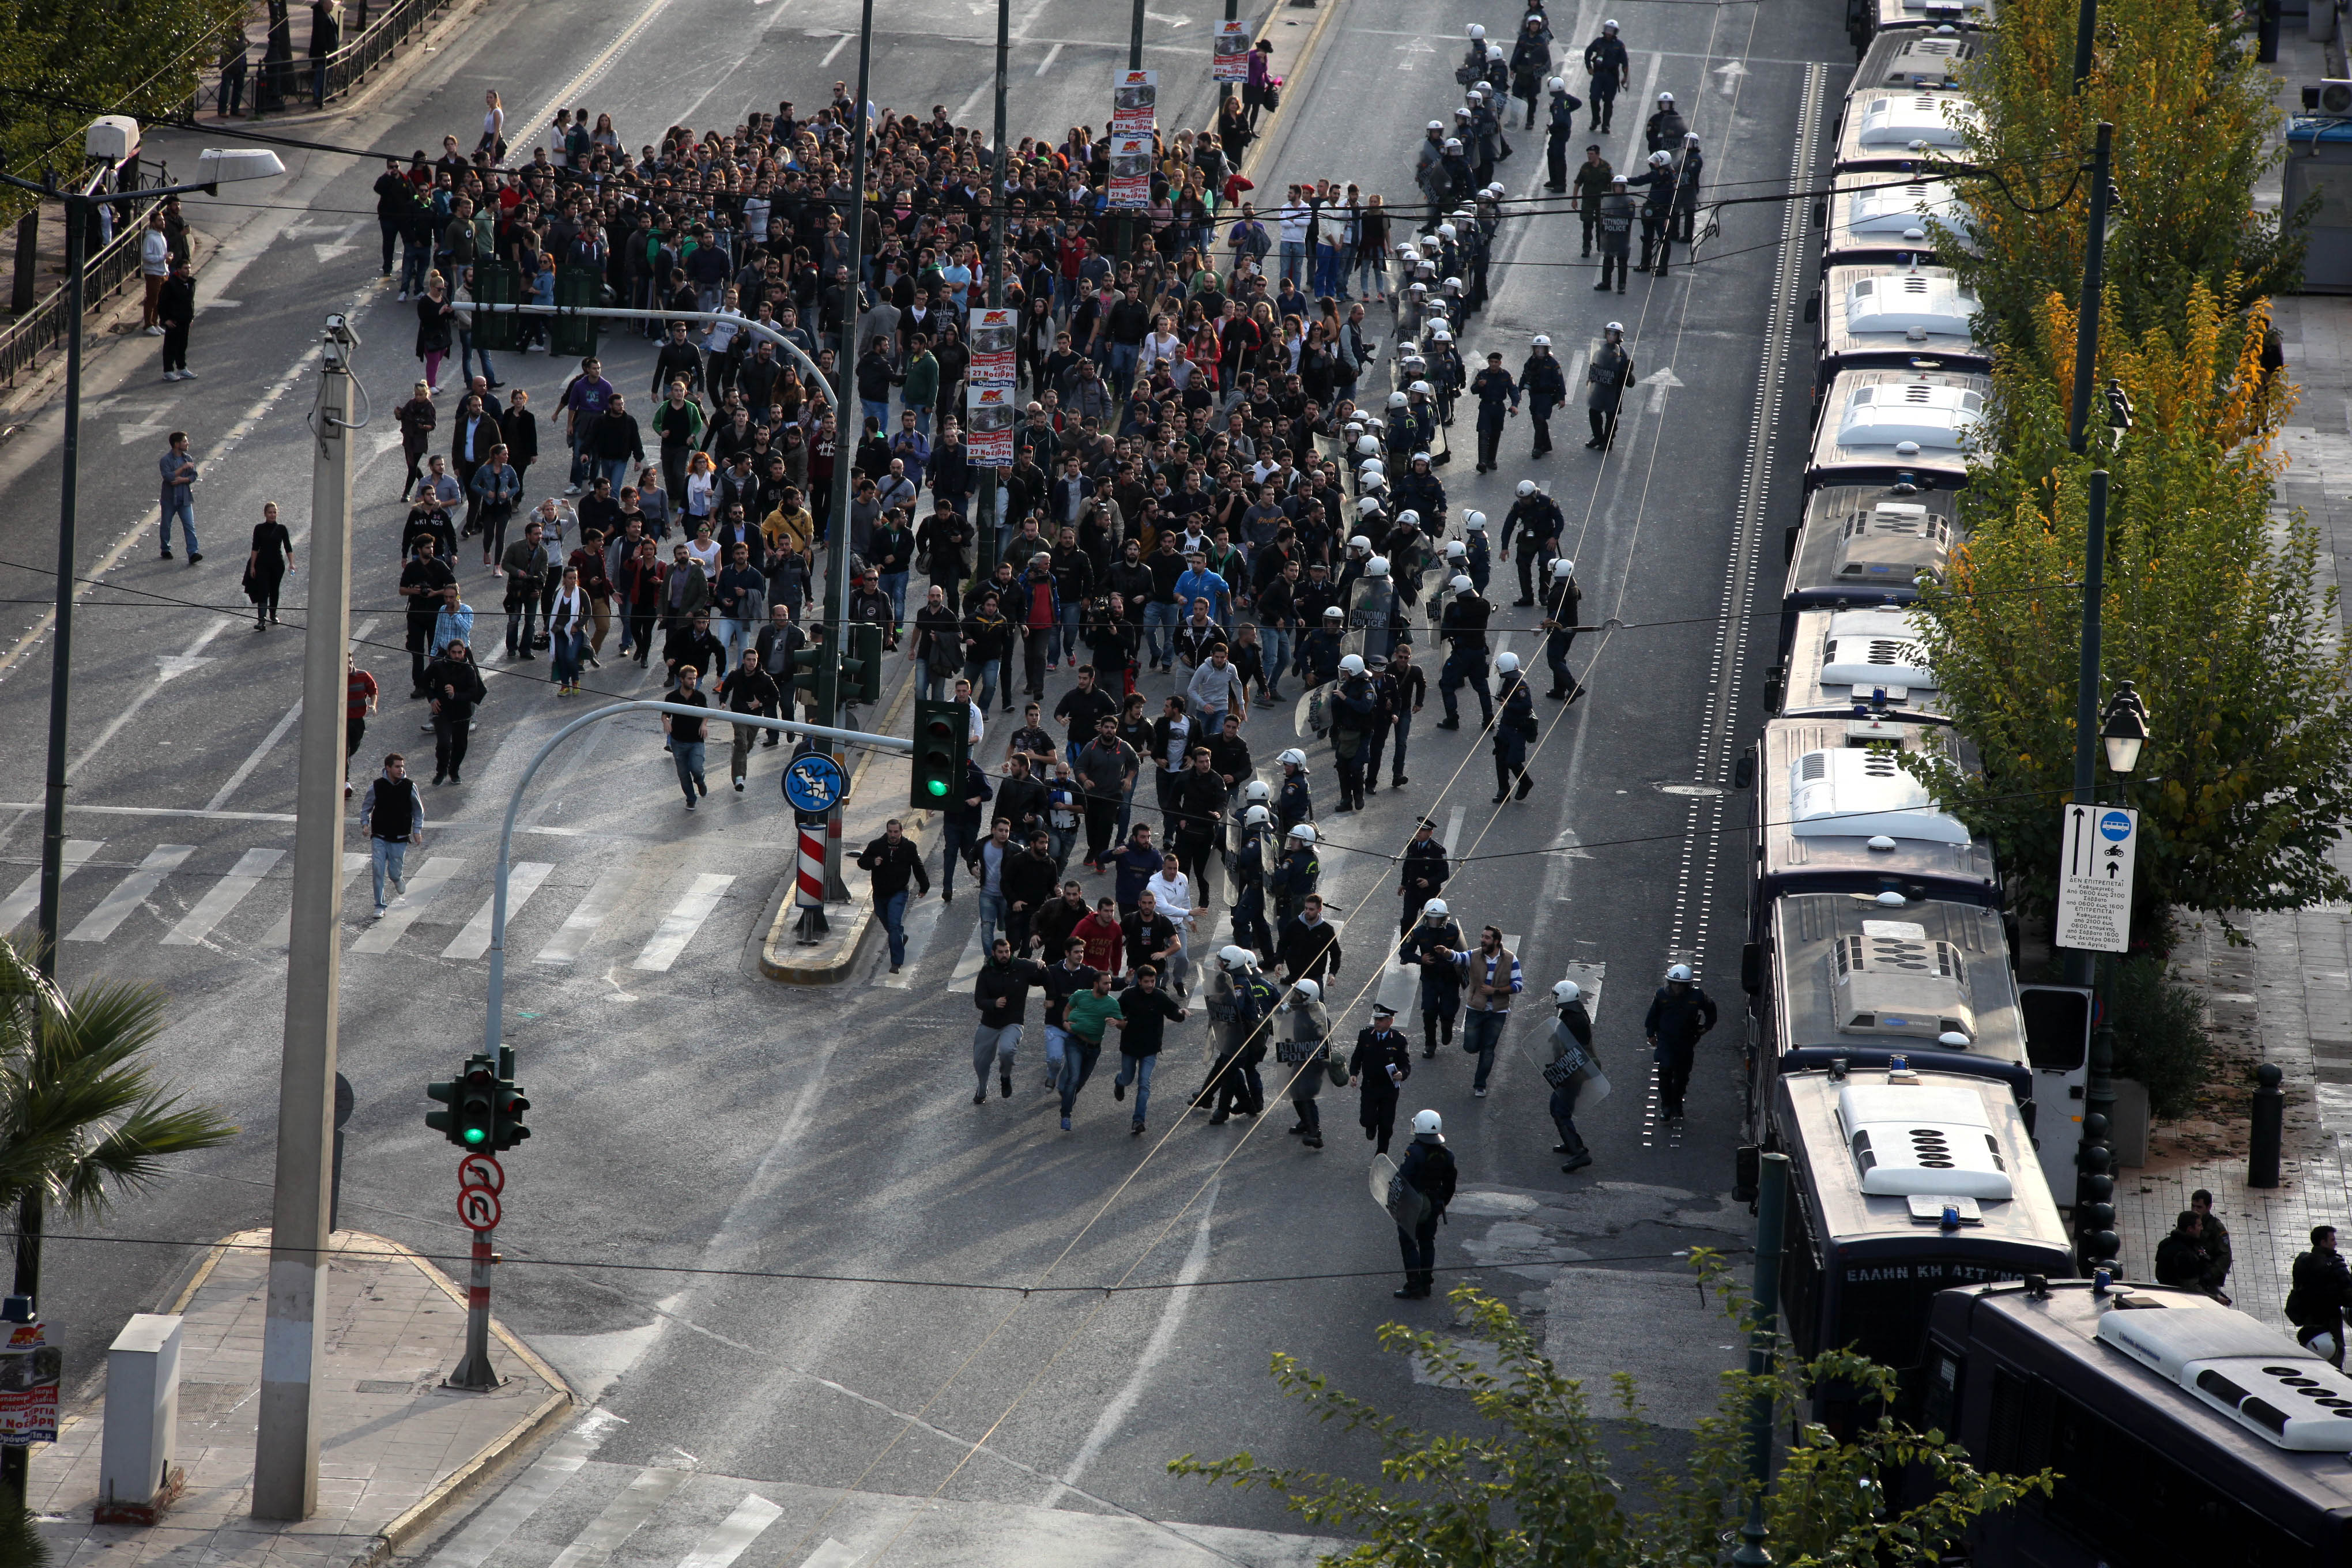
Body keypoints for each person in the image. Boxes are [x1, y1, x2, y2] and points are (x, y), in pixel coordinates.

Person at [1114, 961, 1188, 1135]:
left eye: (1152, 982)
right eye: (1146, 982)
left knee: (1144, 1084)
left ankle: (1138, 1121)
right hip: (1130, 1047)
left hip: (1151, 1048)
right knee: (1127, 1078)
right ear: (1139, 981)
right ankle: (1119, 1082)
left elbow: (1173, 1011)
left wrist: (1181, 1014)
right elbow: (1116, 1011)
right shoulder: (1129, 995)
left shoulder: (1159, 996)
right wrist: (1118, 1020)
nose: (1150, 985)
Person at [1390, 1108, 1457, 1299]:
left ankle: (1413, 1285)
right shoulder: (1447, 1155)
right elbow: (1450, 1184)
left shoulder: (1414, 1152)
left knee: (1409, 1243)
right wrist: (1440, 1203)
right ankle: (1427, 1283)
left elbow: (1403, 1178)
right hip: (1433, 1204)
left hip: (1413, 1205)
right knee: (1427, 1242)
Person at [971, 936, 1047, 1103]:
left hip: (1013, 1022)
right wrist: (993, 1003)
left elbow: (1045, 977)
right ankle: (982, 1089)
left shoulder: (1021, 966)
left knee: (1007, 1051)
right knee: (979, 1062)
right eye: (1001, 952)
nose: (1005, 955)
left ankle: (1005, 1077)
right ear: (994, 953)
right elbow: (979, 1000)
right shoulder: (986, 972)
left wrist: (1042, 966)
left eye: (1007, 951)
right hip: (989, 1023)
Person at [1644, 962, 1718, 1120]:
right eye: (1674, 984)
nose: (1676, 988)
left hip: (1686, 1041)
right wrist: (1651, 1034)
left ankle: (1677, 1102)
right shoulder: (1661, 995)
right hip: (1666, 1040)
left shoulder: (1698, 996)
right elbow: (1653, 1016)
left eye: (1680, 985)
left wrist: (1706, 1028)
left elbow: (1711, 1010)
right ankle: (1666, 1106)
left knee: (1682, 1075)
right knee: (1665, 1071)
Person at [858, 818, 930, 975]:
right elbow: (862, 862)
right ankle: (900, 937)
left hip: (899, 892)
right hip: (880, 893)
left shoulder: (909, 847)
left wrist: (924, 886)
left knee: (894, 924)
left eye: (896, 832)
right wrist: (873, 861)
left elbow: (918, 867)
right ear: (887, 831)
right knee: (889, 923)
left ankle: (896, 962)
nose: (893, 835)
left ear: (901, 831)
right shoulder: (876, 845)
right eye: (890, 832)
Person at [1458, 925, 1522, 1096]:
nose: (1483, 940)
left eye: (1487, 938)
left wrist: (1495, 991)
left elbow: (1518, 985)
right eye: (1482, 936)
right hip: (1475, 1008)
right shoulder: (1475, 955)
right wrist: (1445, 953)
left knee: (1489, 1049)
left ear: (1496, 941)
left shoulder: (1510, 959)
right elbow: (1458, 957)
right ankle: (1481, 1044)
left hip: (1497, 1012)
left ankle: (1480, 1084)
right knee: (1470, 1046)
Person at [1058, 967, 1124, 1132]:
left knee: (1081, 1082)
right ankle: (1066, 1115)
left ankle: (1069, 1095)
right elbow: (1067, 1008)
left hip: (1094, 1048)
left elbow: (1123, 1023)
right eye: (1105, 983)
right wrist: (1066, 1023)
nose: (1109, 986)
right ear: (1096, 984)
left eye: (1110, 983)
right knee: (1073, 1077)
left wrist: (1118, 1024)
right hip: (1075, 1043)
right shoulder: (1081, 995)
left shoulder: (1111, 1003)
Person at [357, 753, 424, 916]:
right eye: (397, 767)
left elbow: (418, 810)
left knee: (394, 871)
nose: (401, 770)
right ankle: (380, 906)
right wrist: (365, 824)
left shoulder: (409, 786)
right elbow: (366, 807)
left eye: (402, 766)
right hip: (380, 835)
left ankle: (397, 878)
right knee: (377, 869)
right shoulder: (377, 786)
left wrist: (417, 830)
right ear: (388, 768)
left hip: (400, 837)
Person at [1400, 899, 1468, 1058]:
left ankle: (1447, 1026)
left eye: (1437, 919)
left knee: (1448, 1010)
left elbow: (1464, 953)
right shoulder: (1418, 933)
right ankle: (1430, 1044)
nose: (1434, 922)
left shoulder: (1453, 932)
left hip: (1450, 978)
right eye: (1431, 918)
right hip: (1430, 978)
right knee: (1429, 1012)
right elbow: (1404, 952)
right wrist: (1420, 959)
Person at [1547, 979, 1599, 1172]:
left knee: (1560, 1110)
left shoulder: (1573, 1020)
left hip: (1574, 1073)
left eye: (1557, 995)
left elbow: (1570, 1048)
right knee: (1557, 1106)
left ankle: (1579, 1153)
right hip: (1573, 1070)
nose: (1555, 999)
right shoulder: (1576, 1013)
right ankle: (1571, 1144)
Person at [1349, 1002, 1414, 1154]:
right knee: (1366, 1120)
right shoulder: (1365, 1035)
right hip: (1370, 1086)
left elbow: (1406, 1064)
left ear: (1390, 1021)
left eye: (1381, 1020)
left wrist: (1402, 1074)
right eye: (1376, 1019)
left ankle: (1381, 1153)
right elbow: (1358, 1056)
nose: (1377, 1023)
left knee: (1386, 1125)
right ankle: (1371, 1126)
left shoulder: (1399, 1040)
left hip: (1389, 1089)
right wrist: (1354, 1073)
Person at [1276, 977, 1332, 1149]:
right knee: (1294, 1091)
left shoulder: (1317, 1019)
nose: (1293, 996)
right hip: (1299, 1059)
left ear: (1306, 998)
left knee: (1306, 1094)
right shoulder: (1296, 1009)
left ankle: (1315, 1133)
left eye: (1297, 995)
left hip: (1313, 1063)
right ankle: (1304, 1122)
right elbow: (1279, 1014)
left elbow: (1321, 1043)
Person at [2291, 1225, 2352, 1367]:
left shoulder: (2302, 1261)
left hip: (2309, 1320)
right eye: (2332, 1240)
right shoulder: (2337, 1265)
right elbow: (2349, 1299)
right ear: (2323, 1242)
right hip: (2330, 1323)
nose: (2335, 1243)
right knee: (2334, 1358)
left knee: (2311, 1358)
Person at [661, 663, 713, 807]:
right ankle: (691, 799)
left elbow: (706, 714)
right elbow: (665, 714)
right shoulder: (672, 697)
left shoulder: (700, 697)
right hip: (678, 742)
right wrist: (665, 721)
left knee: (696, 768)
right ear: (682, 679)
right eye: (690, 678)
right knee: (683, 775)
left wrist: (704, 724)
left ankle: (700, 780)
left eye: (695, 679)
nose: (693, 681)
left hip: (696, 741)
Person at [1491, 650, 1539, 802]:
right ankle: (1503, 791)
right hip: (1506, 726)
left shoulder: (1521, 686)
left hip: (1518, 729)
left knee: (1513, 761)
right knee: (1500, 758)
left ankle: (1526, 782)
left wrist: (1507, 705)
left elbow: (1526, 705)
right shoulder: (1509, 681)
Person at [243, 501, 293, 628]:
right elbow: (255, 548)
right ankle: (261, 620)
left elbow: (288, 547)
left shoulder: (282, 529)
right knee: (263, 591)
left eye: (275, 512)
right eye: (270, 512)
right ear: (265, 514)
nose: (272, 515)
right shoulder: (259, 528)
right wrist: (252, 566)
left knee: (274, 590)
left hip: (277, 565)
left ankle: (273, 614)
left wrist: (292, 563)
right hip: (262, 565)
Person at [1586, 321, 1634, 448]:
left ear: (1619, 337)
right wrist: (1592, 377)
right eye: (1609, 334)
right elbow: (1596, 362)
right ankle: (1598, 437)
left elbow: (1620, 371)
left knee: (1611, 416)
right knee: (1594, 411)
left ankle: (1608, 441)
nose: (1611, 337)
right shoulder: (1603, 349)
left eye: (1614, 335)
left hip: (1614, 390)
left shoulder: (1621, 353)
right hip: (1601, 387)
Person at [157, 431, 201, 563]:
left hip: (184, 498)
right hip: (169, 499)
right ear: (177, 444)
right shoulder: (166, 460)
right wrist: (183, 468)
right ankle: (165, 548)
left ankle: (193, 553)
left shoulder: (188, 458)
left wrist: (183, 480)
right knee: (166, 525)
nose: (187, 443)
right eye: (184, 441)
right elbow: (169, 477)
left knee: (190, 526)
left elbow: (194, 476)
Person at [2154, 1211, 2215, 1292]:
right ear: (2190, 1229)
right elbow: (2192, 1288)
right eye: (2199, 1226)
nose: (2202, 1228)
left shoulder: (2166, 1243)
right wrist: (2216, 1299)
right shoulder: (2185, 1254)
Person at [2190, 1188, 2234, 1301]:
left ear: (2209, 1207)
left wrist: (2211, 1274)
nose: (2195, 1210)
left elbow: (2226, 1256)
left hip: (2208, 1277)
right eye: (2193, 1206)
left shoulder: (2217, 1227)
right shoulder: (2188, 1221)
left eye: (2199, 1207)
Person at [157, 258, 196, 381]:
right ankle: (168, 371)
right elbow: (162, 304)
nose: (188, 270)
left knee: (182, 346)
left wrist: (191, 317)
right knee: (170, 347)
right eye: (185, 268)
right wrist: (165, 320)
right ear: (179, 270)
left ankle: (182, 368)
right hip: (174, 322)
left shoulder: (190, 283)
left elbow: (191, 302)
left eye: (189, 268)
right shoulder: (170, 285)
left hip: (185, 321)